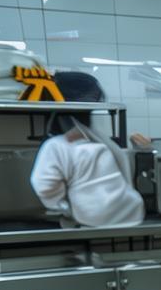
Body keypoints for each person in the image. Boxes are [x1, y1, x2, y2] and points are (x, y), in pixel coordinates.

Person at [29, 72, 146, 227]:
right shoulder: (102, 141)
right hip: (131, 212)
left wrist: (65, 208)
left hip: (91, 219)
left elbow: (45, 186)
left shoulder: (55, 145)